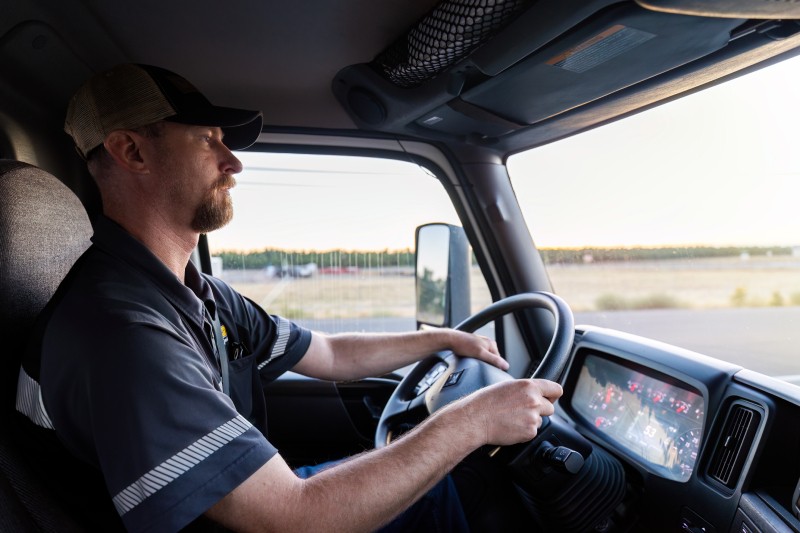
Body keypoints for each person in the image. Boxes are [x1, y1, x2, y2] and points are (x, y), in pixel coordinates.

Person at [15, 63, 563, 532]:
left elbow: (328, 353)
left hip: (244, 506)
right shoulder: (122, 332)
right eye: (208, 140)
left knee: (439, 483)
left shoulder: (191, 292)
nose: (233, 162)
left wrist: (443, 339)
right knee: (444, 487)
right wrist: (469, 421)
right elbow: (292, 519)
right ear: (131, 150)